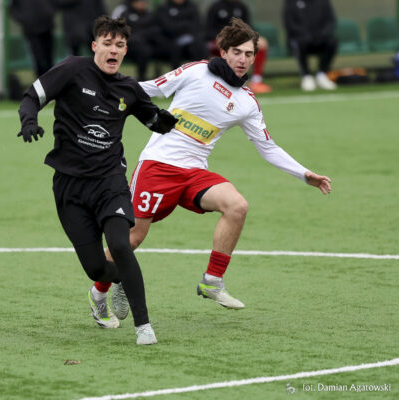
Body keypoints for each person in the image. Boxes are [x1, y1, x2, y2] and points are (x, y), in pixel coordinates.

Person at [93, 17, 331, 319]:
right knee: (131, 240)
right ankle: (99, 292)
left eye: (249, 54)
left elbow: (267, 147)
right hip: (158, 166)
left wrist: (304, 174)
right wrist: (100, 89)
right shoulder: (196, 71)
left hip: (194, 173)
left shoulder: (247, 101)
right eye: (237, 52)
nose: (242, 59)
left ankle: (212, 281)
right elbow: (148, 89)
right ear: (223, 52)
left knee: (237, 206)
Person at [16, 16, 178, 345]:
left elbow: (154, 121)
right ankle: (112, 284)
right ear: (95, 46)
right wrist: (29, 120)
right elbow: (31, 96)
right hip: (70, 186)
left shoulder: (129, 89)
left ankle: (144, 327)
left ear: (125, 51)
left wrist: (168, 122)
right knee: (96, 269)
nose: (113, 50)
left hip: (109, 182)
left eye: (120, 45)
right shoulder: (72, 69)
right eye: (107, 43)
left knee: (120, 244)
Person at [205, 0, 271, 94]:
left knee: (262, 43)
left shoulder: (242, 6)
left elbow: (249, 28)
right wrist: (221, 38)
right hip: (218, 42)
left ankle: (256, 81)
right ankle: (220, 81)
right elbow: (208, 30)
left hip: (240, 41)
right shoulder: (215, 7)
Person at [283, 0, 338, 91]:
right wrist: (305, 35)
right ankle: (306, 76)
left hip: (320, 38)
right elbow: (289, 23)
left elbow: (330, 21)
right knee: (299, 43)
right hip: (300, 38)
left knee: (332, 42)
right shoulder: (291, 2)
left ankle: (322, 75)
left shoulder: (324, 2)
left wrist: (321, 35)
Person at [112, 0, 171, 81]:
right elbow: (122, 33)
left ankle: (166, 78)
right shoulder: (125, 14)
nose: (142, 4)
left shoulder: (149, 15)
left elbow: (155, 31)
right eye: (140, 2)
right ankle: (141, 79)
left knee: (169, 47)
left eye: (144, 2)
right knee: (144, 51)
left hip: (149, 43)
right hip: (131, 47)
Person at [155, 0, 207, 70]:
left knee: (199, 46)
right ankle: (176, 74)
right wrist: (185, 25)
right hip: (170, 40)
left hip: (191, 39)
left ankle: (200, 71)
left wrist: (179, 26)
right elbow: (167, 27)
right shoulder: (164, 8)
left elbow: (197, 25)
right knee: (175, 48)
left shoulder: (192, 7)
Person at [10, 0, 56, 77]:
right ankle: (40, 80)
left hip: (47, 26)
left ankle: (52, 81)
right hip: (31, 29)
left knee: (49, 59)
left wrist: (49, 12)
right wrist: (24, 19)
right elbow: (12, 9)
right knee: (38, 60)